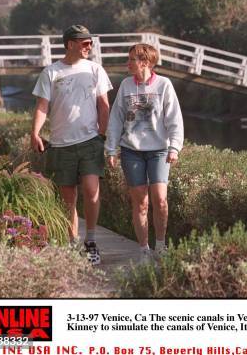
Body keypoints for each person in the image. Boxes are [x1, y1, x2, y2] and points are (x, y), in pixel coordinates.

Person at [31, 25, 112, 265]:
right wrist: (35, 132)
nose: (89, 46)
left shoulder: (95, 70)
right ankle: (72, 243)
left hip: (89, 142)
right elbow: (42, 106)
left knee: (91, 189)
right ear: (69, 44)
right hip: (60, 144)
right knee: (68, 199)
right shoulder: (51, 72)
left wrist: (102, 134)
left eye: (90, 42)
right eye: (84, 42)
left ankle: (91, 241)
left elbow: (103, 104)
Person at [105, 43, 183, 262]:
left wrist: (175, 146)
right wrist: (111, 148)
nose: (127, 63)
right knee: (140, 203)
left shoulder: (164, 84)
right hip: (131, 151)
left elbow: (174, 118)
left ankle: (160, 245)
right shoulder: (126, 85)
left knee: (160, 200)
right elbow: (116, 118)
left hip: (159, 150)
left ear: (145, 62)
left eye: (131, 59)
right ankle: (143, 250)